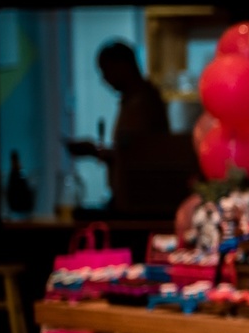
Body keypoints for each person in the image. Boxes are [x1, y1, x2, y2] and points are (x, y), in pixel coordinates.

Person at [66, 40, 172, 213]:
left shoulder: (142, 102)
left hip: (139, 204)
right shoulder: (134, 100)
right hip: (130, 200)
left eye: (106, 70)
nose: (104, 79)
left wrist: (94, 151)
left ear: (123, 66)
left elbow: (137, 155)